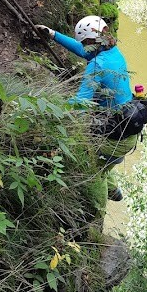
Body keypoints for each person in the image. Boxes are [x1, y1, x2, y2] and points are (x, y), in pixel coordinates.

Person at [35, 15, 136, 202]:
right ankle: (114, 191)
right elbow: (83, 51)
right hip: (127, 130)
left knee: (94, 172)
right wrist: (53, 34)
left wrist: (51, 108)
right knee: (105, 165)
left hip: (114, 139)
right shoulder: (112, 51)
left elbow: (80, 105)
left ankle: (99, 207)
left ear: (91, 41)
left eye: (84, 42)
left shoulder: (97, 66)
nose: (83, 46)